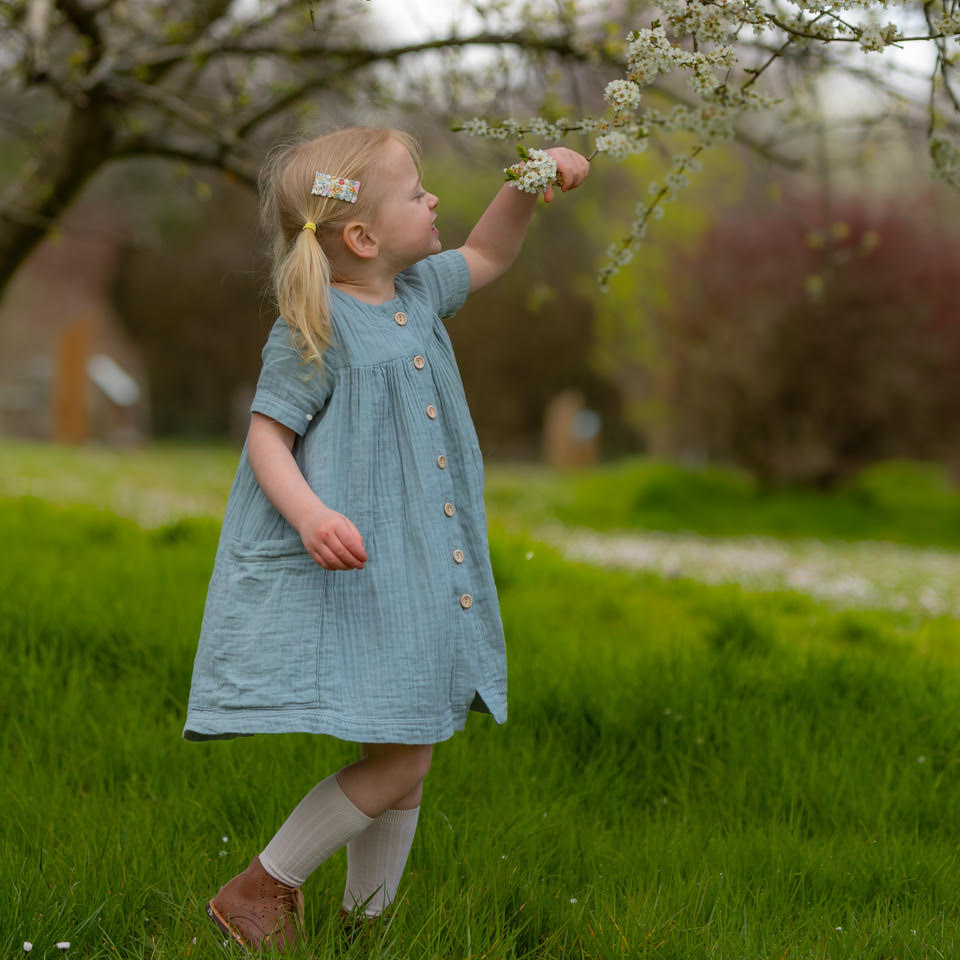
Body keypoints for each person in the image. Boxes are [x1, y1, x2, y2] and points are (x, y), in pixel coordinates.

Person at [182, 125, 590, 951]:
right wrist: (310, 514)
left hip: (417, 571)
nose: (433, 199)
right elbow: (267, 439)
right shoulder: (316, 322)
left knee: (408, 751)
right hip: (367, 570)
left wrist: (528, 183)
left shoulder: (418, 296)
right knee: (403, 761)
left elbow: (491, 253)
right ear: (362, 237)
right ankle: (261, 889)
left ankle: (365, 927)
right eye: (416, 193)